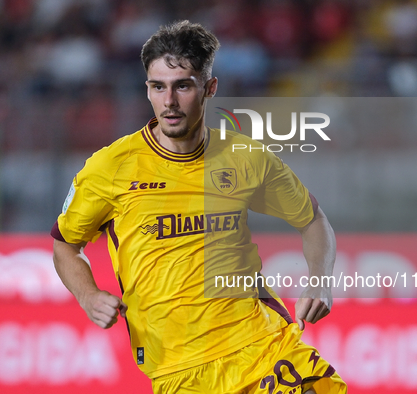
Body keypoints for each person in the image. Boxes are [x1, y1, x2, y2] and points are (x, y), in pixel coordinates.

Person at [51, 20, 347, 394]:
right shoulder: (110, 167)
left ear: (209, 88)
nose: (169, 101)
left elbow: (313, 220)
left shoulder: (244, 157)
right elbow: (65, 245)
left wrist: (320, 281)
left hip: (260, 345)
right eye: (158, 87)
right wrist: (88, 295)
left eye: (183, 86)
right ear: (147, 89)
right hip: (178, 370)